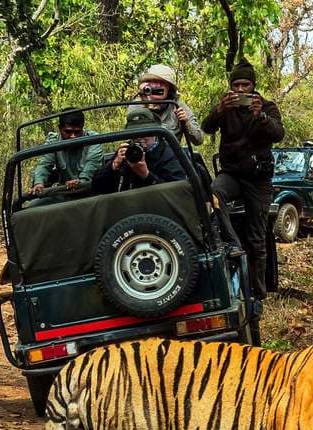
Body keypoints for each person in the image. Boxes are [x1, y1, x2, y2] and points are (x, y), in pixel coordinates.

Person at [202, 58, 285, 316]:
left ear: (253, 86)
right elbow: (206, 128)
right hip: (232, 174)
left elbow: (278, 134)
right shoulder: (226, 108)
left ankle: (257, 295)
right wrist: (219, 110)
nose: (240, 90)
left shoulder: (267, 107)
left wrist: (260, 116)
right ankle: (231, 240)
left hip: (258, 179)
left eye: (245, 85)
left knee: (257, 238)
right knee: (213, 192)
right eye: (236, 84)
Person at [91, 108, 187, 194]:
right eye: (135, 134)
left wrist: (146, 175)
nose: (140, 138)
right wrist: (113, 166)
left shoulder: (169, 154)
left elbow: (177, 195)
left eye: (145, 133)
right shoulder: (125, 152)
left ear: (154, 132)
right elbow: (97, 188)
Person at [28, 109, 104, 203]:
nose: (73, 136)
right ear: (60, 129)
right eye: (68, 132)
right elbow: (44, 164)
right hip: (65, 193)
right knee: (31, 207)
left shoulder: (94, 139)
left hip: (90, 193)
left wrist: (80, 182)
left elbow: (92, 165)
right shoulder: (54, 141)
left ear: (82, 128)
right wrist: (39, 183)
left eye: (77, 132)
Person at [125, 64, 203, 146]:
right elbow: (129, 138)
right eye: (154, 82)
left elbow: (198, 140)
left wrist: (186, 123)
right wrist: (146, 102)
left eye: (162, 83)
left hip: (170, 156)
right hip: (143, 156)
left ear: (169, 87)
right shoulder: (136, 105)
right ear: (148, 85)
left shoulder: (177, 106)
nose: (158, 86)